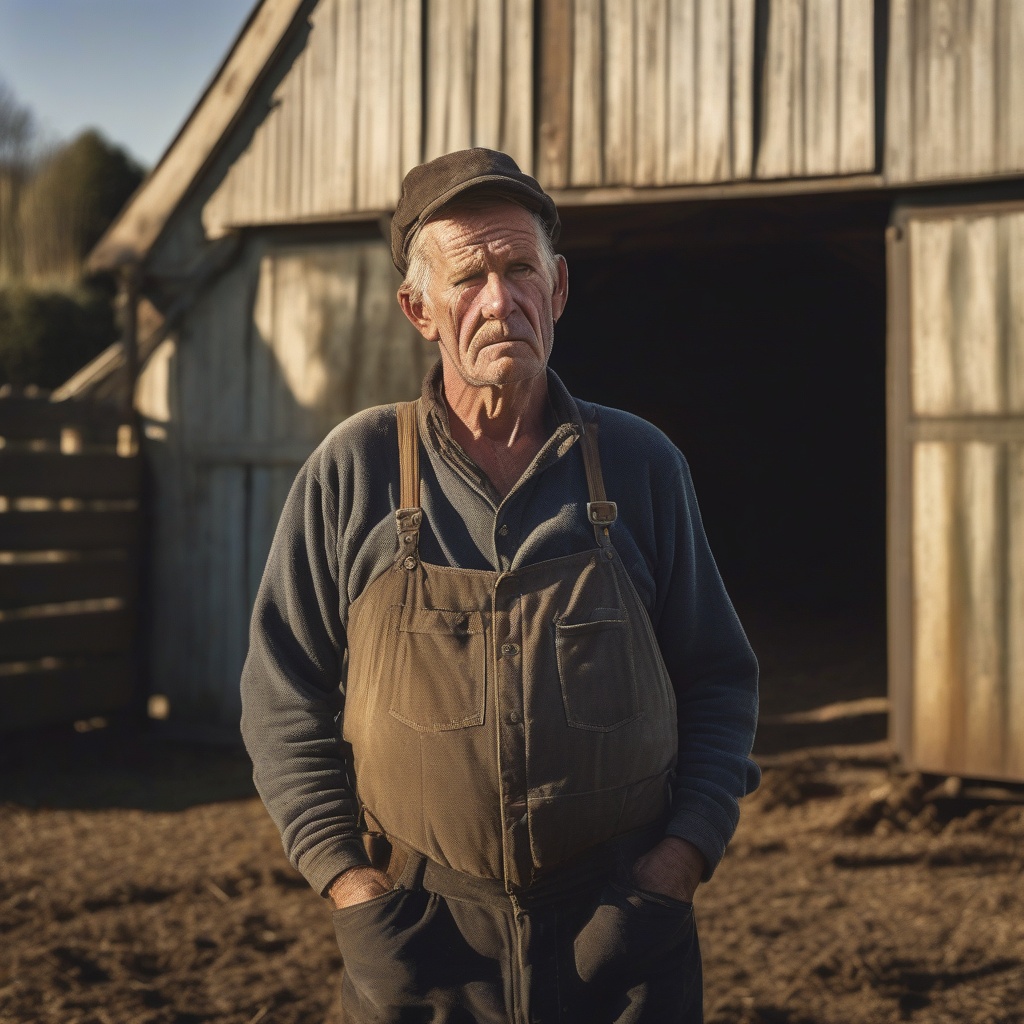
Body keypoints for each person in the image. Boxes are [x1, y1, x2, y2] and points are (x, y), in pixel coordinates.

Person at [240, 148, 759, 1024]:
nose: (499, 299)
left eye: (520, 269)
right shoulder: (356, 471)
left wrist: (676, 868)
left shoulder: (639, 464)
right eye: (468, 276)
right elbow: (281, 697)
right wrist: (356, 890)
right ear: (419, 309)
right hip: (421, 949)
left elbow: (718, 677)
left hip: (620, 947)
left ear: (557, 289)